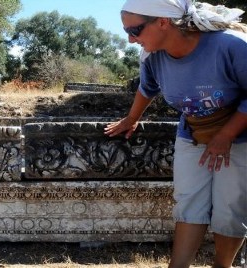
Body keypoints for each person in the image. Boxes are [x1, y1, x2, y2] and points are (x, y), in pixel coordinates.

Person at [104, 0, 247, 267]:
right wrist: (131, 119)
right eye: (126, 32)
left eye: (134, 30)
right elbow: (147, 88)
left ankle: (222, 264)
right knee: (189, 202)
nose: (131, 40)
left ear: (162, 21)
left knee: (230, 208)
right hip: (192, 133)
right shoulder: (152, 55)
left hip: (239, 135)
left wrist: (226, 135)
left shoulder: (232, 46)